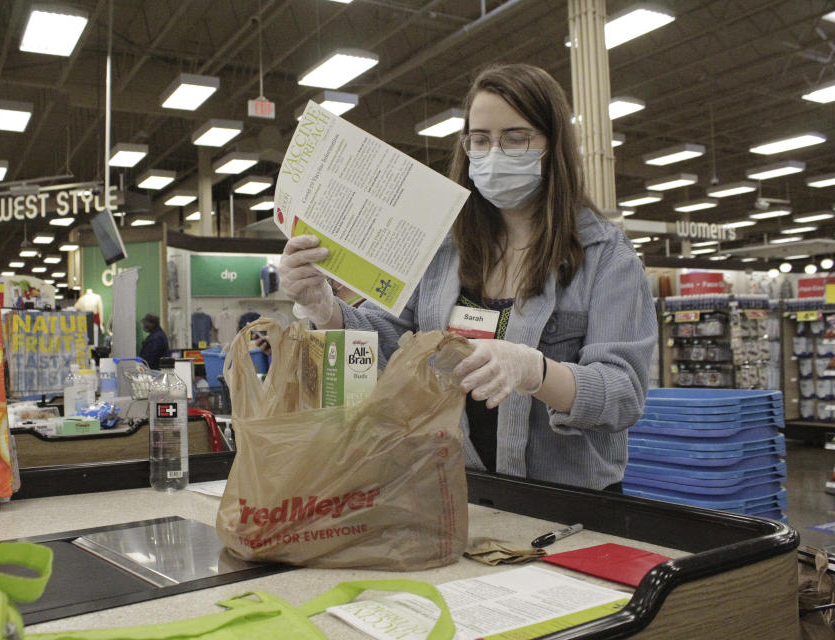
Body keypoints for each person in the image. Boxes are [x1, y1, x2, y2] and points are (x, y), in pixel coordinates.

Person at [277, 63, 657, 492]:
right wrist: (325, 309)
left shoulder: (606, 258)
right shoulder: (444, 250)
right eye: (480, 140)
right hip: (455, 491)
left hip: (570, 506)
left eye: (515, 138)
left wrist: (536, 371)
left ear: (553, 145)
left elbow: (623, 393)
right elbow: (396, 345)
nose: (494, 154)